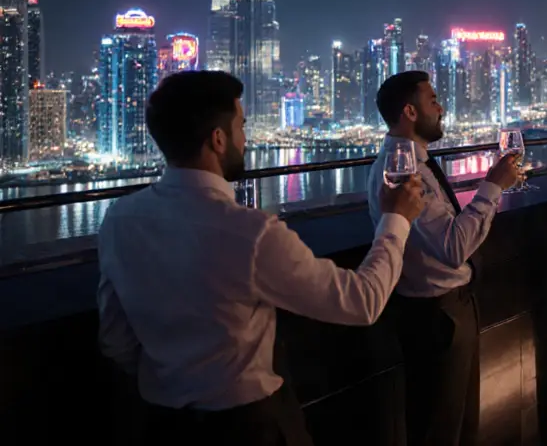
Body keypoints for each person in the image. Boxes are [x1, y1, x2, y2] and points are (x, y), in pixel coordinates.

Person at [97, 71, 424, 446]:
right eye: (242, 125)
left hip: (161, 424)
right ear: (218, 140)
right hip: (248, 426)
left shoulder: (119, 220)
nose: (245, 138)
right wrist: (395, 219)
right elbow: (361, 302)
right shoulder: (250, 233)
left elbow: (115, 340)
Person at [366, 71, 522, 446]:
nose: (442, 107)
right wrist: (492, 186)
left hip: (450, 309)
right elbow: (453, 248)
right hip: (434, 318)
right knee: (440, 427)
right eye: (433, 100)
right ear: (410, 111)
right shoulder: (402, 172)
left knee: (461, 423)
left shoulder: (418, 164)